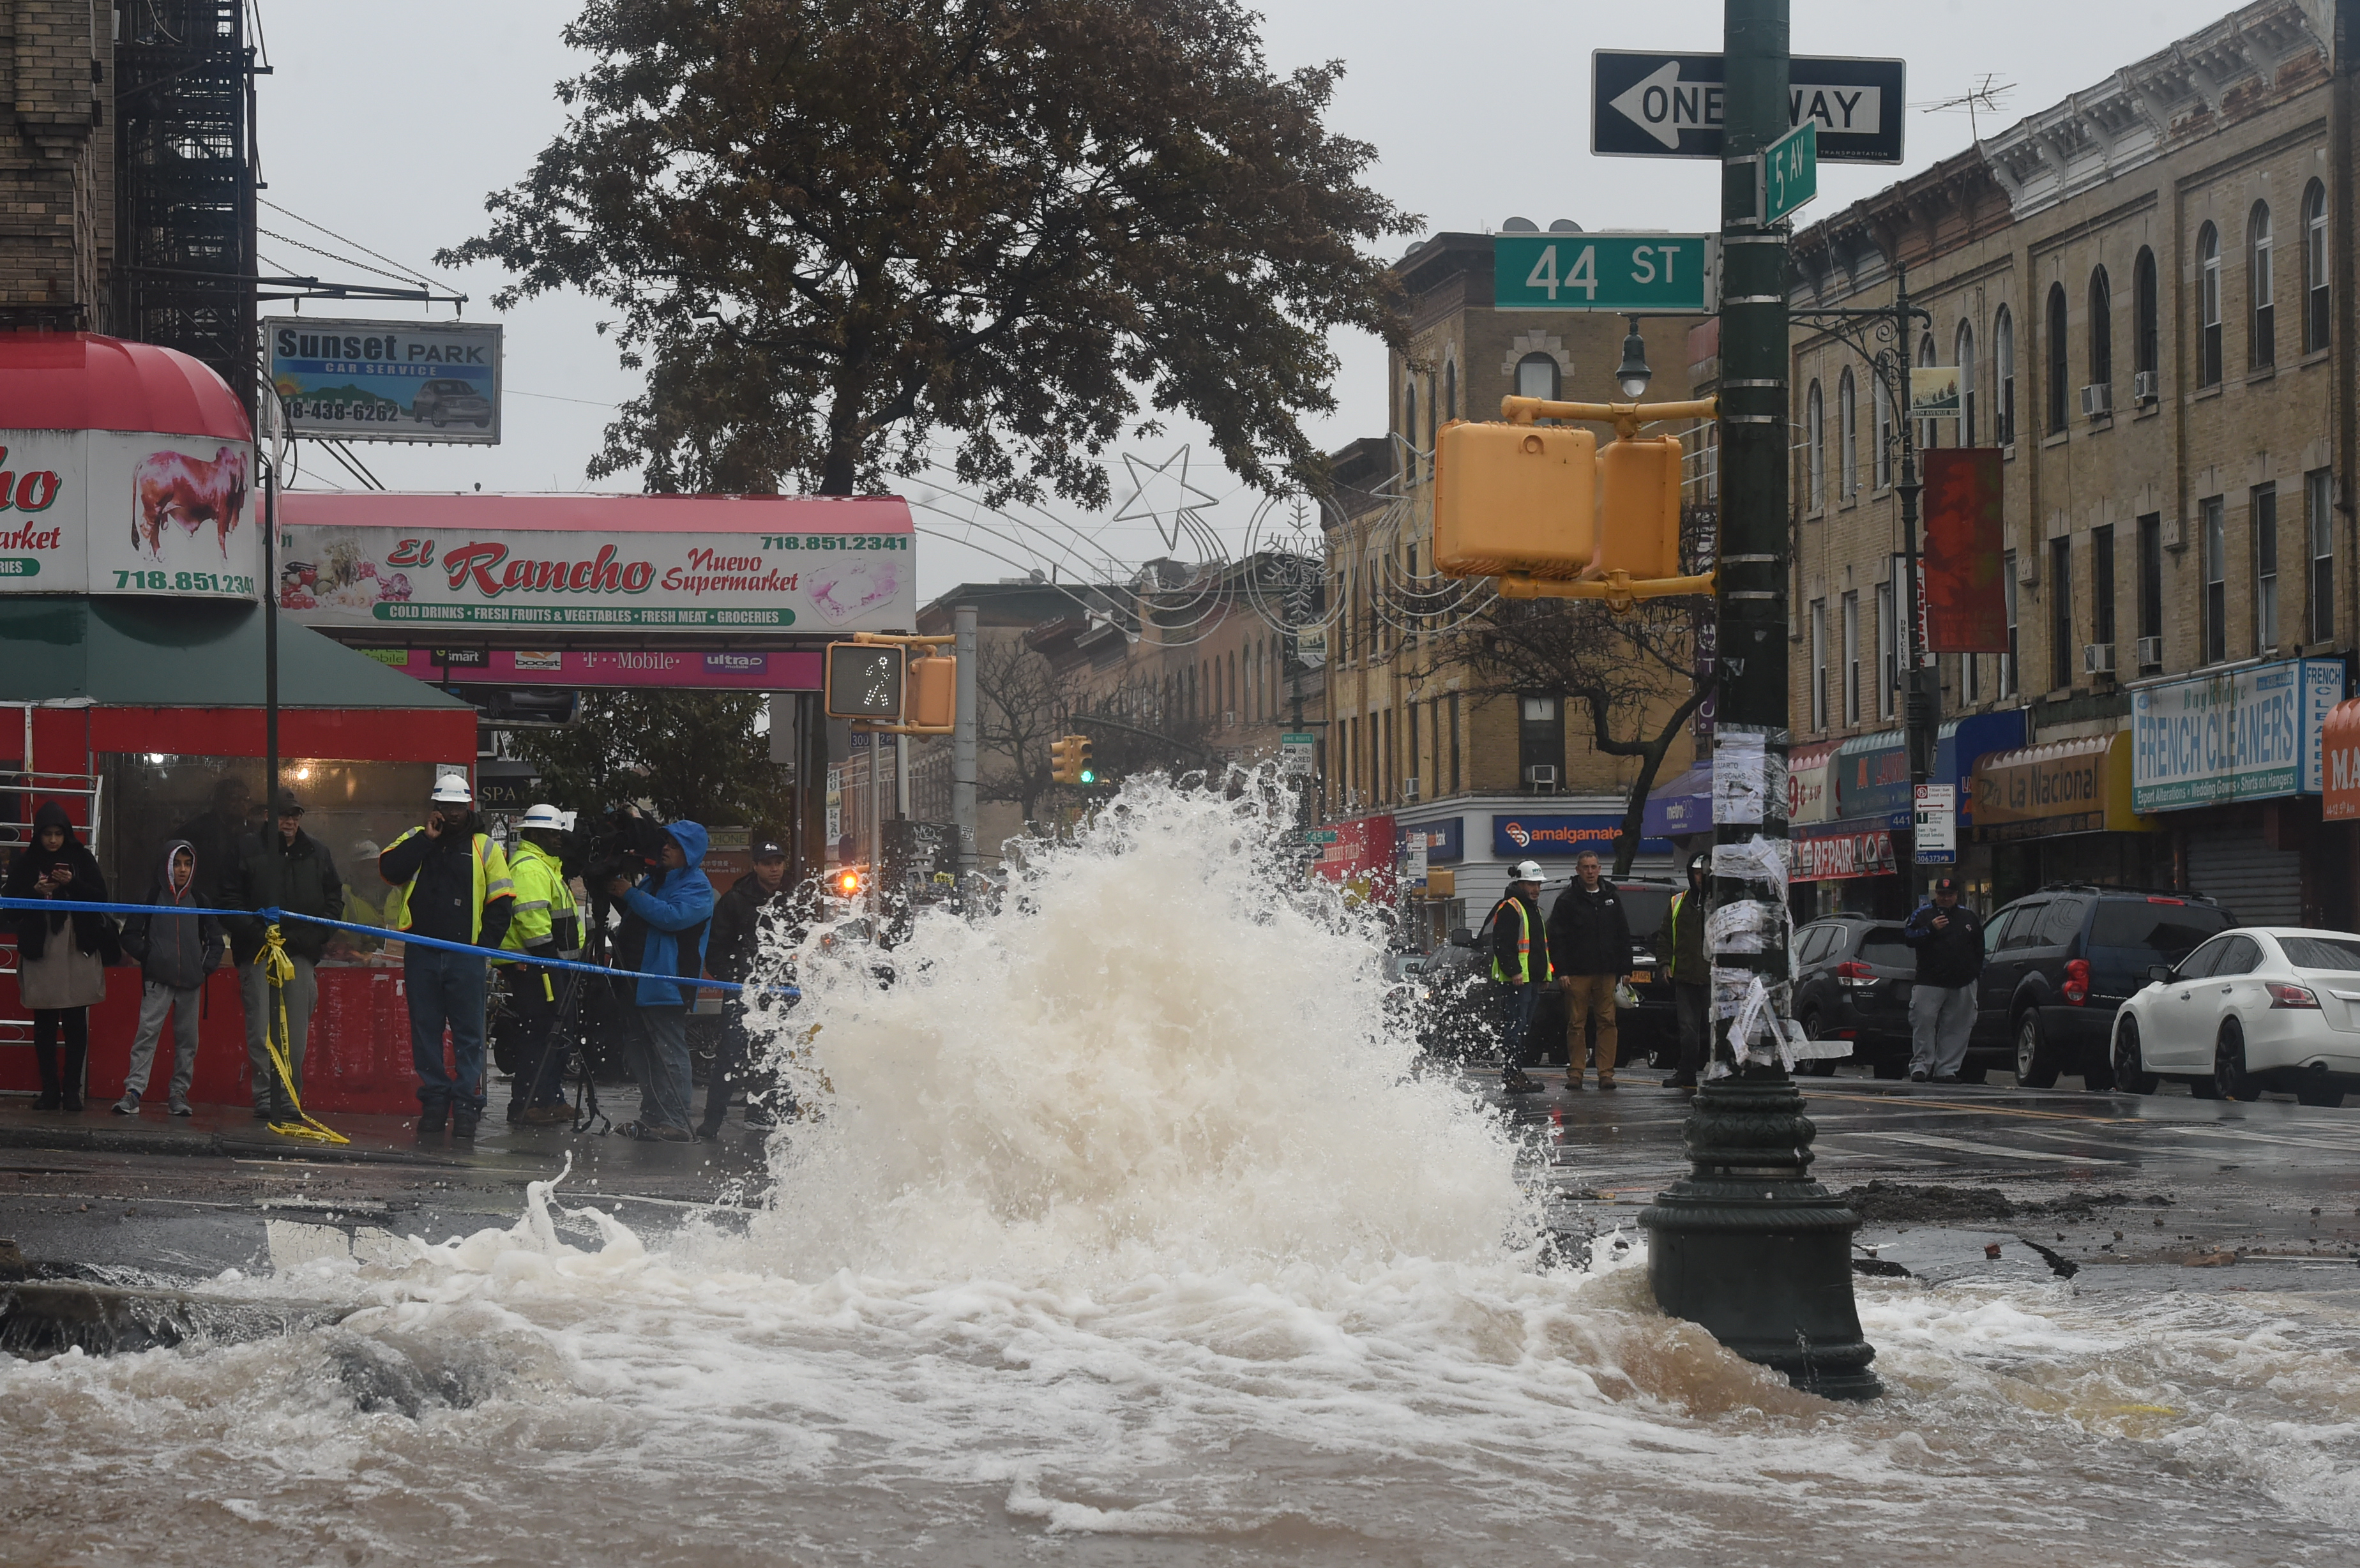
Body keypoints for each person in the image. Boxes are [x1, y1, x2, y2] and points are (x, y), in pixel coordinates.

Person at [380, 774, 515, 1142]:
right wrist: (427, 839)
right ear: (435, 808)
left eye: (458, 808)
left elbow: (502, 902)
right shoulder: (417, 838)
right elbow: (390, 870)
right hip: (422, 951)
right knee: (426, 1031)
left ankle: (466, 1106)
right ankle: (436, 1102)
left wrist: (481, 949)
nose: (452, 814)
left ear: (467, 806)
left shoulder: (485, 847)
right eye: (446, 807)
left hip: (464, 956)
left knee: (469, 1034)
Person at [225, 790, 344, 1122]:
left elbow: (334, 901)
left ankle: (290, 1096)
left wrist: (314, 937)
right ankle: (265, 1096)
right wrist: (256, 932)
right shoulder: (246, 849)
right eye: (282, 814)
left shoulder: (318, 853)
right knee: (262, 1029)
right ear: (268, 816)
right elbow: (228, 900)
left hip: (300, 956)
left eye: (295, 815)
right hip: (258, 951)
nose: (289, 821)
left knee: (295, 1033)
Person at [606, 819, 715, 1142]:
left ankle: (677, 1119)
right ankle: (653, 1116)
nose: (665, 848)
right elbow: (637, 914)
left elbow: (672, 917)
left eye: (674, 844)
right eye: (665, 842)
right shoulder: (656, 882)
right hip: (638, 983)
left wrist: (629, 893)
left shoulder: (697, 887)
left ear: (690, 852)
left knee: (669, 1051)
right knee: (641, 1052)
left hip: (668, 983)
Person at [3, 802, 110, 1111]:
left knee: (76, 1021)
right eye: (47, 834)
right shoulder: (27, 862)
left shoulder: (80, 858)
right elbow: (9, 908)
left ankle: (72, 1091)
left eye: (58, 833)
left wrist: (71, 883)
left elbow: (100, 897)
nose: (52, 840)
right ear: (38, 835)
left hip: (77, 944)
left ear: (67, 834)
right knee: (45, 1022)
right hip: (41, 948)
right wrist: (35, 892)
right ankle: (50, 1090)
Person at [699, 836, 805, 1136]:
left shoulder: (793, 897)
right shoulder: (735, 900)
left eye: (779, 863)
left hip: (782, 992)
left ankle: (769, 1115)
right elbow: (716, 949)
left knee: (777, 1056)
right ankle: (712, 1121)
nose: (775, 870)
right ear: (755, 866)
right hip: (743, 991)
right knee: (730, 1056)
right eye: (768, 864)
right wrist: (736, 980)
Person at [116, 840, 226, 1116]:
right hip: (157, 982)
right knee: (146, 1035)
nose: (182, 870)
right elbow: (129, 935)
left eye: (188, 864)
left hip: (191, 984)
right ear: (167, 865)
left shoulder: (200, 901)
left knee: (187, 1042)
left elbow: (216, 942)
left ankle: (179, 1094)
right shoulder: (152, 897)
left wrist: (203, 968)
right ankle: (133, 1093)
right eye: (177, 864)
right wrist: (152, 957)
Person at [498, 803, 581, 1126]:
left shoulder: (545, 867)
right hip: (536, 965)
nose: (559, 839)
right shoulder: (530, 868)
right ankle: (527, 1103)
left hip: (547, 964)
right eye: (552, 833)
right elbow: (531, 921)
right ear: (533, 834)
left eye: (560, 833)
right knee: (541, 1032)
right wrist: (552, 962)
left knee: (556, 1030)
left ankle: (548, 1098)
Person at [1548, 848, 1633, 1091]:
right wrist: (1561, 970)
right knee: (1576, 1023)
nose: (1590, 872)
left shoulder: (1611, 897)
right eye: (1585, 867)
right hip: (1576, 972)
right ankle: (1576, 1072)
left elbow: (1622, 934)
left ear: (1600, 869)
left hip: (1607, 971)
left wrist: (1626, 967)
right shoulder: (1567, 900)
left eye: (1594, 867)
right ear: (1578, 870)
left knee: (1607, 1021)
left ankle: (1606, 1073)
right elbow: (1557, 938)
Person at [1902, 876, 1986, 1084]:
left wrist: (1975, 973)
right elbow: (1908, 938)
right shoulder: (1923, 914)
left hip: (1963, 981)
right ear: (1936, 894)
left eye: (1949, 895)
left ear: (1957, 895)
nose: (1945, 898)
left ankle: (1946, 1070)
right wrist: (1930, 928)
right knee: (1923, 1022)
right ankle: (1921, 1068)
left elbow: (1979, 947)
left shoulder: (1968, 917)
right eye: (1941, 894)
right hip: (1929, 981)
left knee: (1958, 1027)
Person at [1485, 860, 1552, 1096]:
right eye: (1531, 884)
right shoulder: (1511, 908)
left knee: (1522, 1028)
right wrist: (1514, 971)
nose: (1536, 889)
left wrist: (1545, 974)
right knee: (1515, 1027)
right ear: (1520, 883)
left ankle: (1515, 1072)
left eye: (1538, 884)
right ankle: (1512, 1075)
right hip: (1518, 981)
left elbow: (1540, 947)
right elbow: (1502, 945)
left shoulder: (1531, 909)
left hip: (1530, 980)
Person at [1654, 853, 1709, 1089]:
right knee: (1688, 1031)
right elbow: (1665, 936)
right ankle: (1686, 1072)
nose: (1700, 879)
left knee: (1712, 1030)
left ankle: (1721, 1073)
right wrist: (1664, 964)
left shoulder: (1719, 902)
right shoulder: (1678, 902)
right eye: (1697, 874)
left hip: (1712, 979)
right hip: (1685, 978)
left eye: (1704, 874)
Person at [172, 776, 252, 905]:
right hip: (202, 903)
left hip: (239, 905)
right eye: (235, 799)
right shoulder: (196, 831)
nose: (241, 804)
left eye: (246, 800)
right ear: (219, 801)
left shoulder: (251, 833)